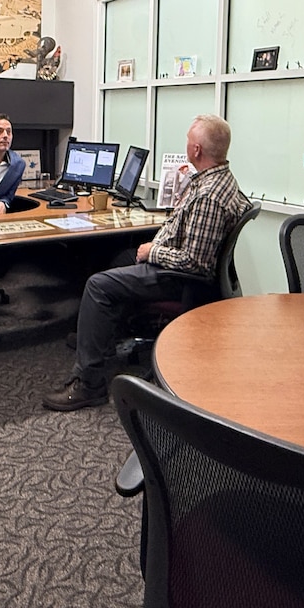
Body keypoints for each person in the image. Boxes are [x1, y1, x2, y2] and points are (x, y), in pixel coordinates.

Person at [44, 114, 250, 412]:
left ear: (196, 151)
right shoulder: (218, 179)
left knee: (98, 285)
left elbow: (195, 263)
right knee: (116, 257)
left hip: (181, 279)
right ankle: (99, 336)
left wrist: (152, 252)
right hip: (176, 263)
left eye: (189, 141)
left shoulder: (208, 197)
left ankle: (89, 384)